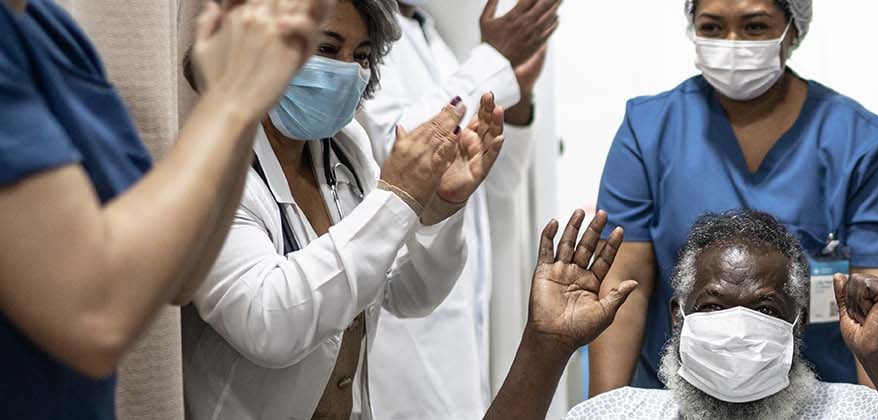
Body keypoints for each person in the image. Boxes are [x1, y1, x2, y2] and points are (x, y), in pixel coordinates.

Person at [180, 0, 506, 418]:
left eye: (362, 56)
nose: (348, 70)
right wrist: (396, 197)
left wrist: (439, 206)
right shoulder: (211, 165)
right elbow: (268, 326)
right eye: (328, 49)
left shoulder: (345, 149)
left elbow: (409, 294)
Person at [0, 0, 326, 418]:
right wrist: (230, 101)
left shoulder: (45, 26)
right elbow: (97, 315)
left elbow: (180, 272)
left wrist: (246, 94)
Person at [590, 0, 878, 393]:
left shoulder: (858, 141)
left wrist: (873, 408)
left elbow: (874, 301)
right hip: (677, 395)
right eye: (711, 27)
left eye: (755, 27)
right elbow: (624, 282)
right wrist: (605, 406)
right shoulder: (649, 129)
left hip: (819, 395)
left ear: (793, 29)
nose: (732, 43)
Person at [475, 209, 878, 420]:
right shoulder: (617, 413)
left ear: (795, 322)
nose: (737, 327)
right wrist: (545, 346)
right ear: (678, 317)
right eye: (713, 306)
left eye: (764, 307)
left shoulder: (854, 412)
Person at [359, 0, 555, 416]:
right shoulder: (359, 34)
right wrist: (494, 58)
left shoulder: (431, 36)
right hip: (398, 326)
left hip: (455, 320)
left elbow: (500, 182)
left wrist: (517, 93)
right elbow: (405, 147)